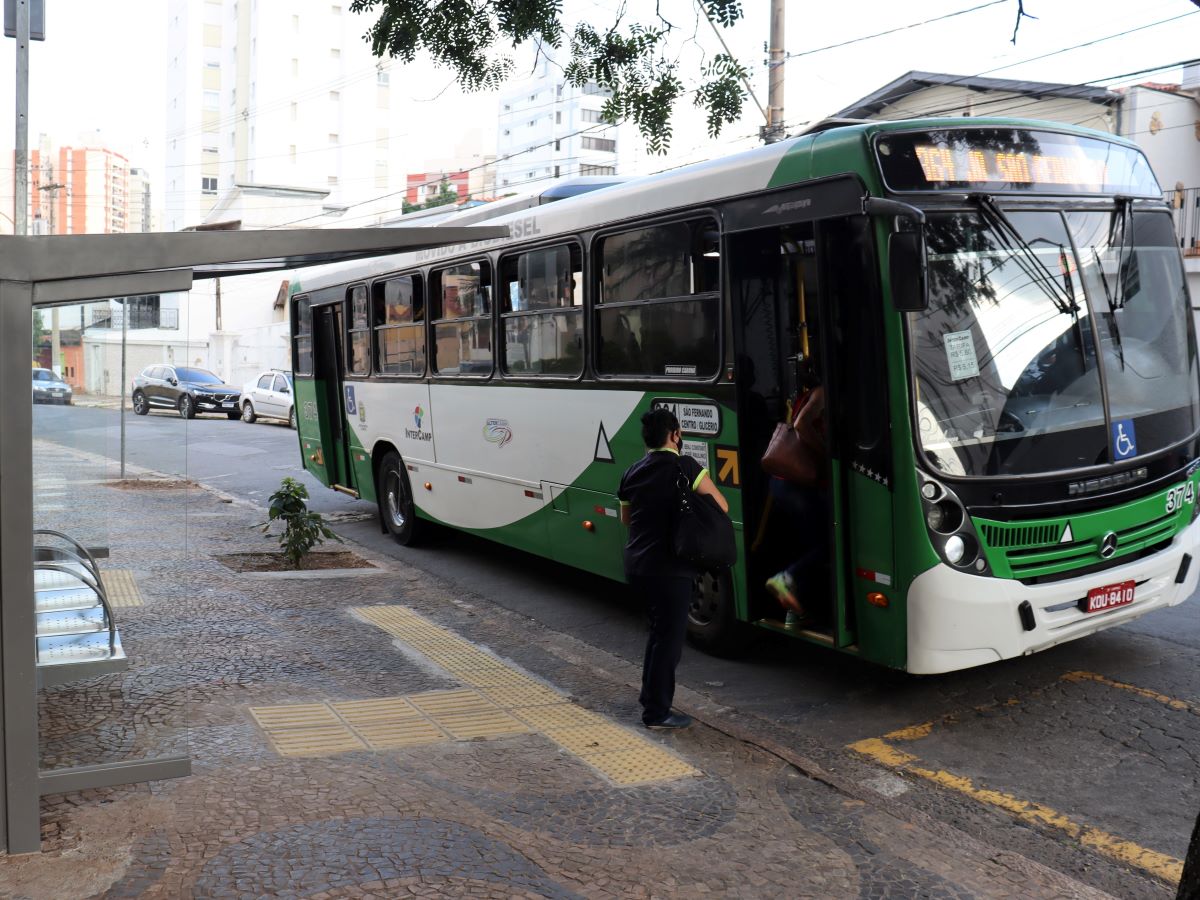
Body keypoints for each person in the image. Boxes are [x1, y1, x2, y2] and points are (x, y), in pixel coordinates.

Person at [619, 407, 729, 728]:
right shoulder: (685, 466)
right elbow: (721, 505)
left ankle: (649, 697)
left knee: (657, 634)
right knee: (668, 642)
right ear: (675, 435)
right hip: (671, 569)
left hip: (638, 565)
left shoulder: (632, 471)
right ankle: (656, 713)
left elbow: (628, 519)